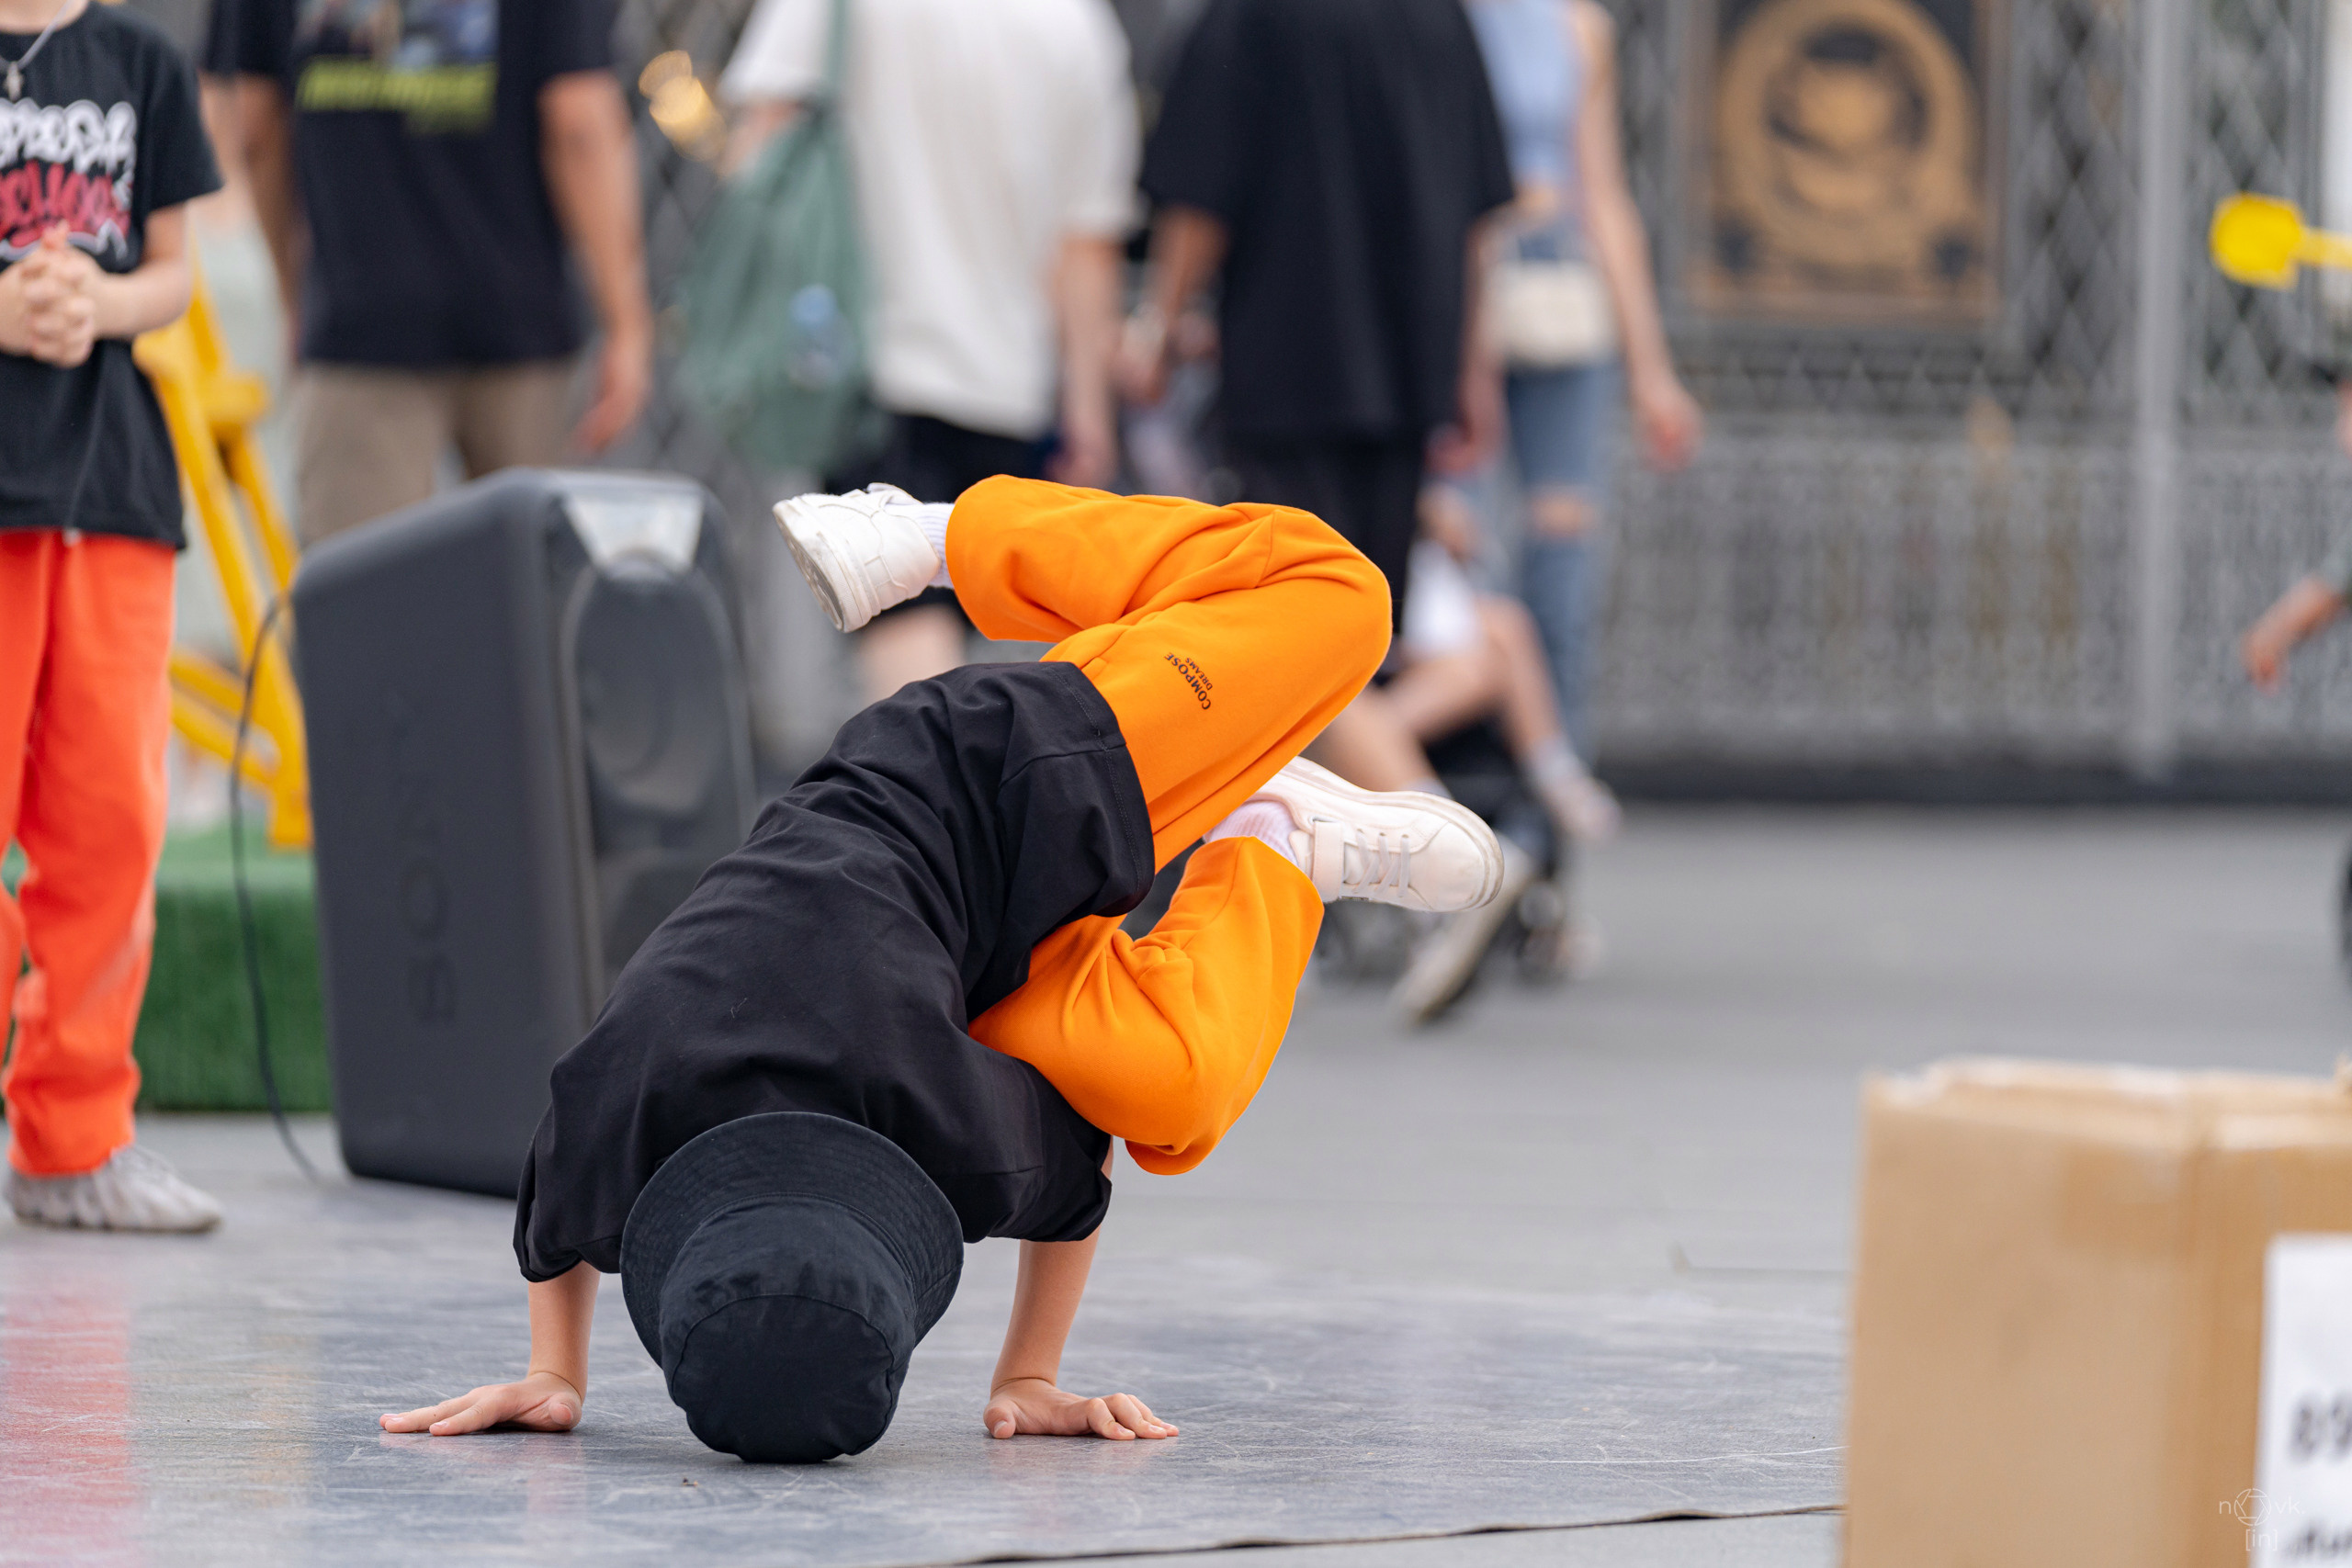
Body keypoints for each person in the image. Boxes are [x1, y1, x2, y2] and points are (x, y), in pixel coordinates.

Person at [379, 478, 1504, 1459]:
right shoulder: (631, 1120)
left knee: (1334, 594)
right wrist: (554, 1377)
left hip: (997, 784)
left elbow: (1069, 1186)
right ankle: (1275, 840)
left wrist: (558, 1374)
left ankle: (936, 536)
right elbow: (553, 1204)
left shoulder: (884, 1112)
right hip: (972, 974)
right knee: (1174, 1102)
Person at [719, 0, 1138, 705]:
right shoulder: (1079, 25)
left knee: (909, 650)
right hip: (1011, 384)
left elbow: (758, 148)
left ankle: (948, 805)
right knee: (983, 647)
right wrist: (1088, 413)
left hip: (875, 367)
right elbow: (1087, 242)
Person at [1, 0, 227, 1231]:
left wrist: (98, 302)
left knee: (112, 824)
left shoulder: (141, 58)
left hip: (113, 494)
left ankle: (74, 1139)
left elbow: (176, 273)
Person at [203, 0, 650, 544]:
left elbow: (253, 124)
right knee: (528, 596)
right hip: (519, 315)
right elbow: (578, 120)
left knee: (365, 599)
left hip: (359, 318)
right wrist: (625, 320)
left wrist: (293, 292)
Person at [1457, 0, 1701, 771]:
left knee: (1562, 551)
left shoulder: (1577, 26)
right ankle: (1465, 784)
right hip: (1461, 295)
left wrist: (1651, 370)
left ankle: (1554, 780)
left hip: (1560, 296)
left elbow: (1603, 197)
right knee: (1460, 549)